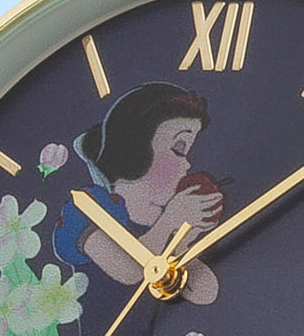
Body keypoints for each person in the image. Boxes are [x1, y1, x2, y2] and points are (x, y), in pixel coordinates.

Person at [53, 83, 223, 306]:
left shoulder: (162, 217)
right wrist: (169, 222)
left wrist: (186, 238)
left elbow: (205, 293)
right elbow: (130, 271)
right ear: (136, 146)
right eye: (179, 148)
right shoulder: (86, 208)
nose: (188, 164)